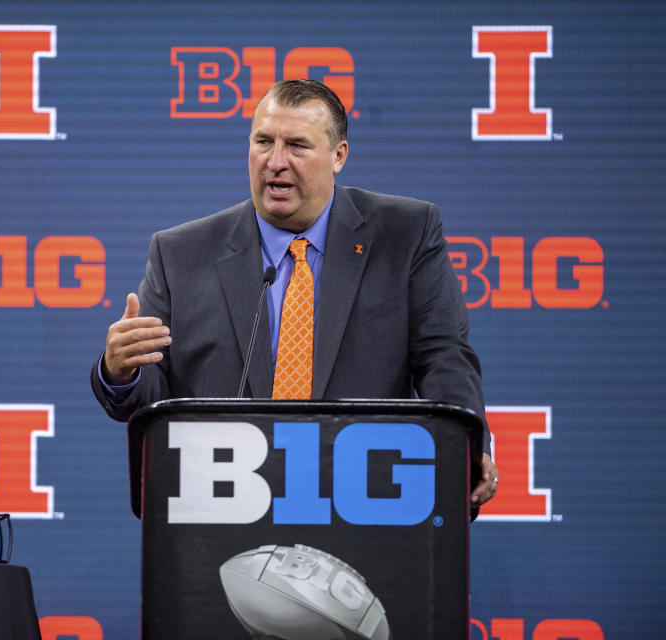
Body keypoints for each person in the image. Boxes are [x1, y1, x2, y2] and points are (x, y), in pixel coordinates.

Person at [91, 79, 498, 507]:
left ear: (338, 155)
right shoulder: (180, 254)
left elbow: (444, 357)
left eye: (297, 146)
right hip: (223, 506)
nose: (275, 161)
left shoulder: (405, 234)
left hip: (365, 502)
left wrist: (465, 447)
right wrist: (122, 371)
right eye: (263, 141)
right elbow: (151, 395)